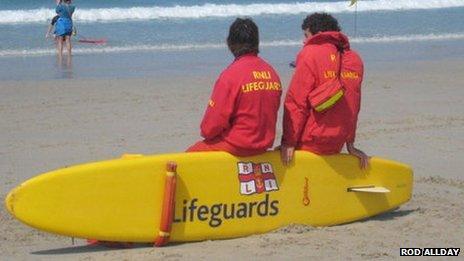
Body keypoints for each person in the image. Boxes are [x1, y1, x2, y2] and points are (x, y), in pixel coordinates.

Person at [280, 13, 369, 168]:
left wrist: (288, 142)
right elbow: (354, 105)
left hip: (310, 141)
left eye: (306, 35)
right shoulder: (355, 59)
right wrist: (350, 143)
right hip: (338, 142)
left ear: (319, 34)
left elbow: (296, 102)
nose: (304, 41)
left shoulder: (310, 53)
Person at [187, 18, 282, 156]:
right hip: (263, 146)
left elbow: (211, 127)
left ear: (230, 43)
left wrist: (207, 132)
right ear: (256, 43)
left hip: (236, 146)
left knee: (187, 157)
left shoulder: (230, 76)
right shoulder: (272, 73)